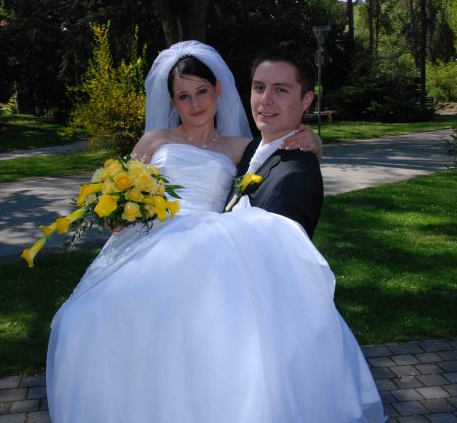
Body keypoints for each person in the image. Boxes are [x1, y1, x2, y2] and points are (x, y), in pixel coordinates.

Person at [46, 40, 385, 423]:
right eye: (184, 96)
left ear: (218, 90)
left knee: (182, 335)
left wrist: (315, 142)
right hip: (145, 242)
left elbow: (277, 150)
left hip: (204, 249)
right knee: (87, 320)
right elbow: (119, 190)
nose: (195, 104)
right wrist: (115, 213)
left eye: (202, 91)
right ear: (172, 102)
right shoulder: (154, 141)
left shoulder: (239, 147)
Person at [225, 50, 323, 238]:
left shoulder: (294, 177)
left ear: (306, 100)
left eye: (280, 90)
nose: (265, 99)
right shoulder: (253, 150)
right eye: (259, 87)